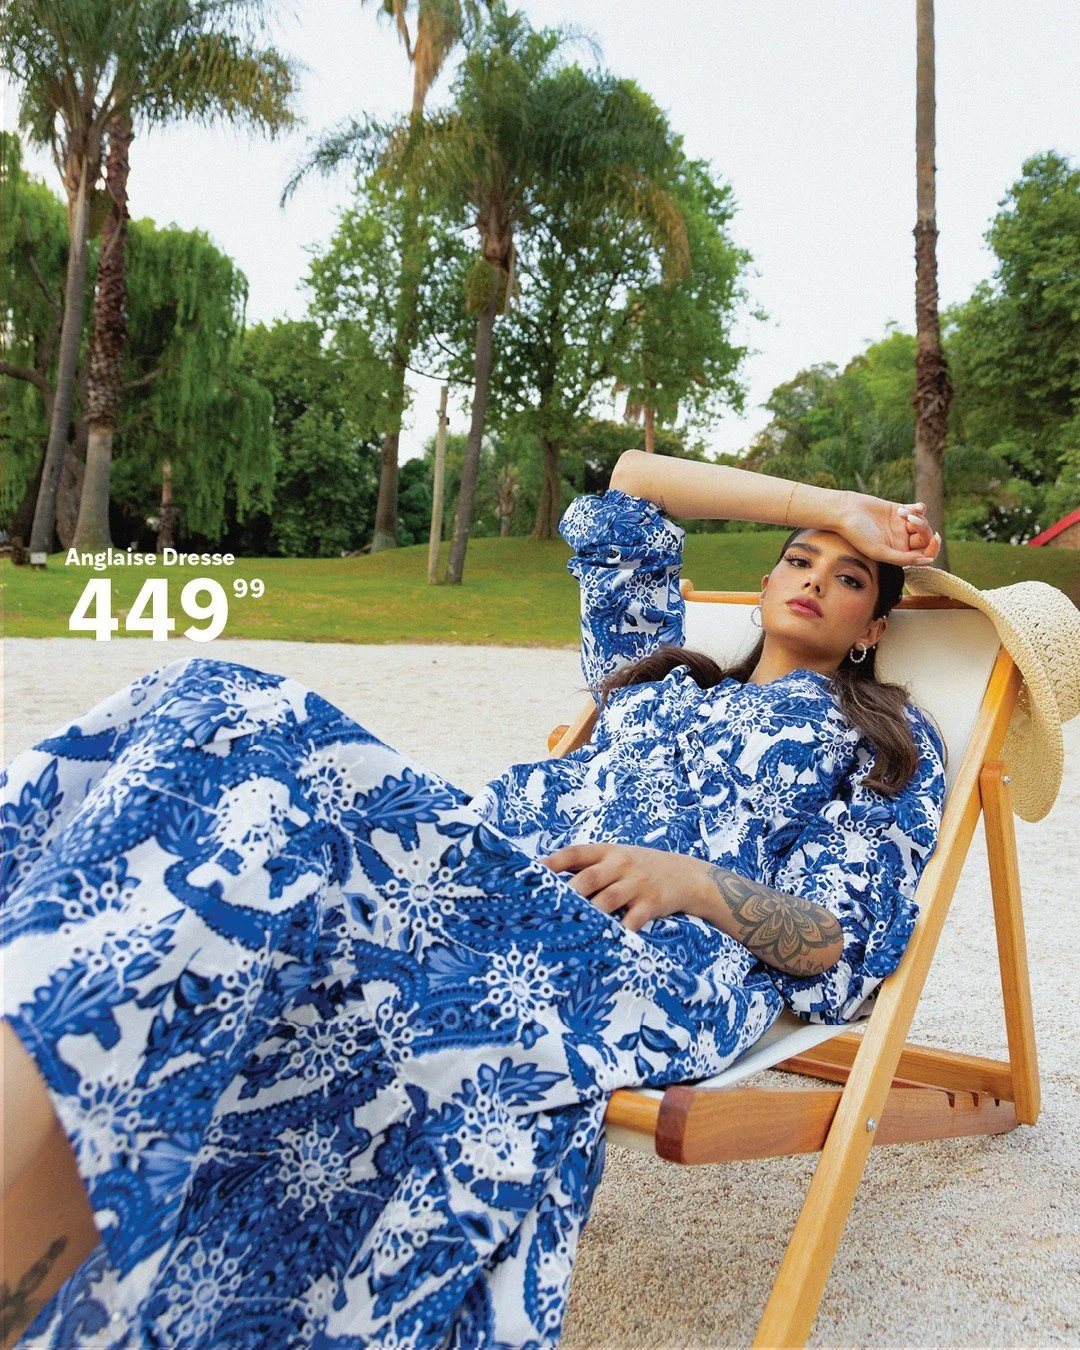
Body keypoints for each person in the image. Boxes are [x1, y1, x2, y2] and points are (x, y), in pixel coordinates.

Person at [1, 453, 944, 1349]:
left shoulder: (883, 744)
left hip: (624, 945)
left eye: (851, 576)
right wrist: (832, 505)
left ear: (872, 630)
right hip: (478, 862)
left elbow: (837, 940)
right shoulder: (664, 678)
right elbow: (631, 488)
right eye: (799, 556)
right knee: (207, 712)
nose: (814, 575)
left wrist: (690, 881)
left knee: (244, 714)